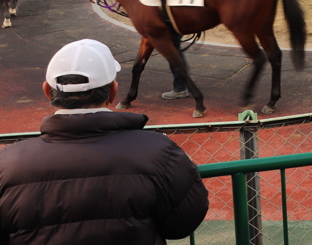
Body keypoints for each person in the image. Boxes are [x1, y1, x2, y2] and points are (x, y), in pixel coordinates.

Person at [0, 39, 209, 243]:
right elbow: (183, 223)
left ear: (47, 91)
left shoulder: (6, 164)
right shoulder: (160, 152)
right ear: (113, 91)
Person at [151, 0, 190, 100]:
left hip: (169, 21)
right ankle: (185, 84)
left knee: (173, 52)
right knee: (176, 50)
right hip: (181, 19)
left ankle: (180, 87)